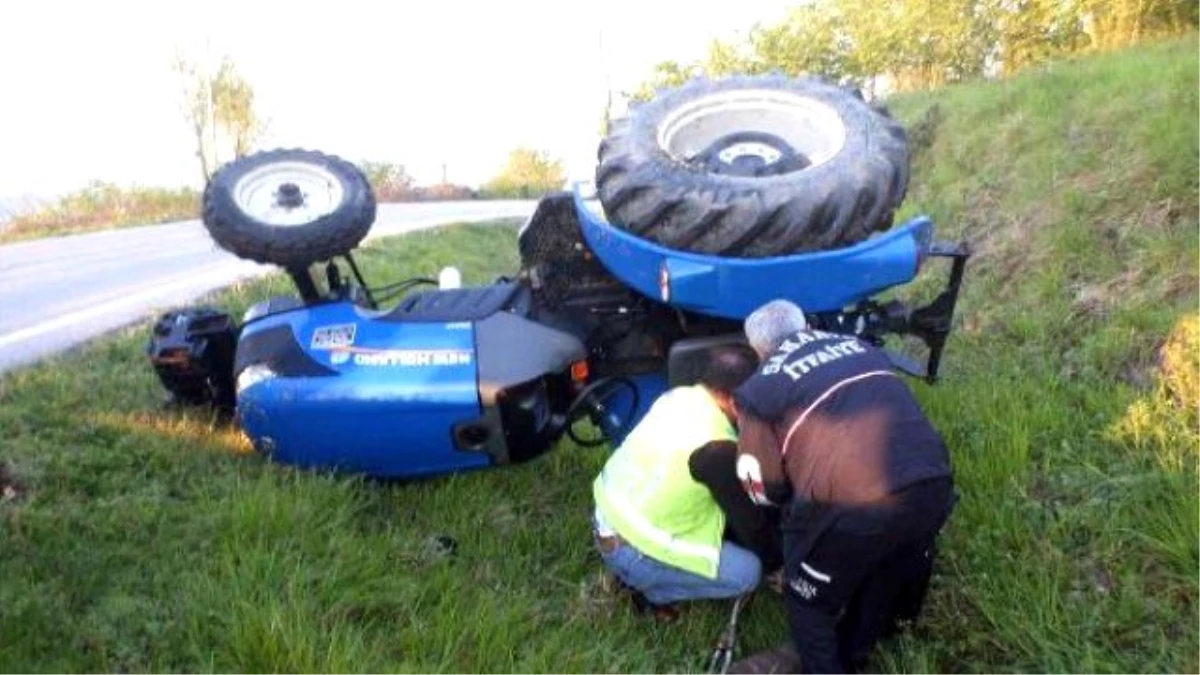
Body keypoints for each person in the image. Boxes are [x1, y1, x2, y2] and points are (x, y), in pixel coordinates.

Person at [728, 299, 956, 674]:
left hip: (852, 509)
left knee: (807, 603)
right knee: (885, 563)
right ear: (803, 325)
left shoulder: (759, 390)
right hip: (933, 482)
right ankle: (861, 649)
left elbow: (761, 486)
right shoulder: (860, 348)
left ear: (758, 349)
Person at [591, 345, 782, 618]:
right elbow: (750, 523)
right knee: (749, 572)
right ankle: (652, 591)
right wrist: (776, 565)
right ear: (734, 399)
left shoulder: (679, 397)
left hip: (607, 518)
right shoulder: (716, 449)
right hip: (632, 554)